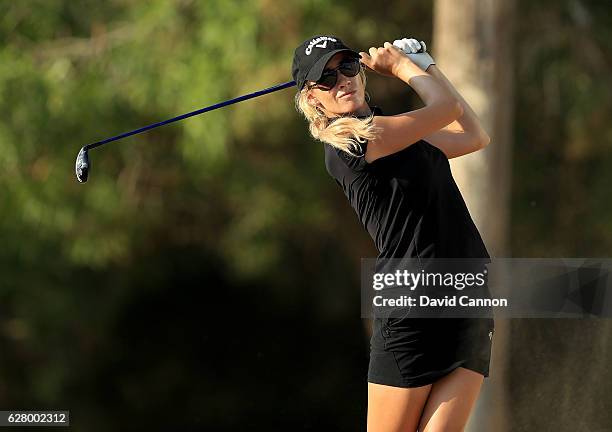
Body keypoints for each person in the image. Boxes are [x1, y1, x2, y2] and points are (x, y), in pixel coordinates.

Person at [291, 35, 495, 432]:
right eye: (326, 79)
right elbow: (446, 108)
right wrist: (405, 67)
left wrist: (427, 64)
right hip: (411, 306)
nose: (342, 81)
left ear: (361, 73)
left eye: (348, 67)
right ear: (312, 99)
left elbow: (473, 135)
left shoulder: (398, 131)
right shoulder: (352, 143)